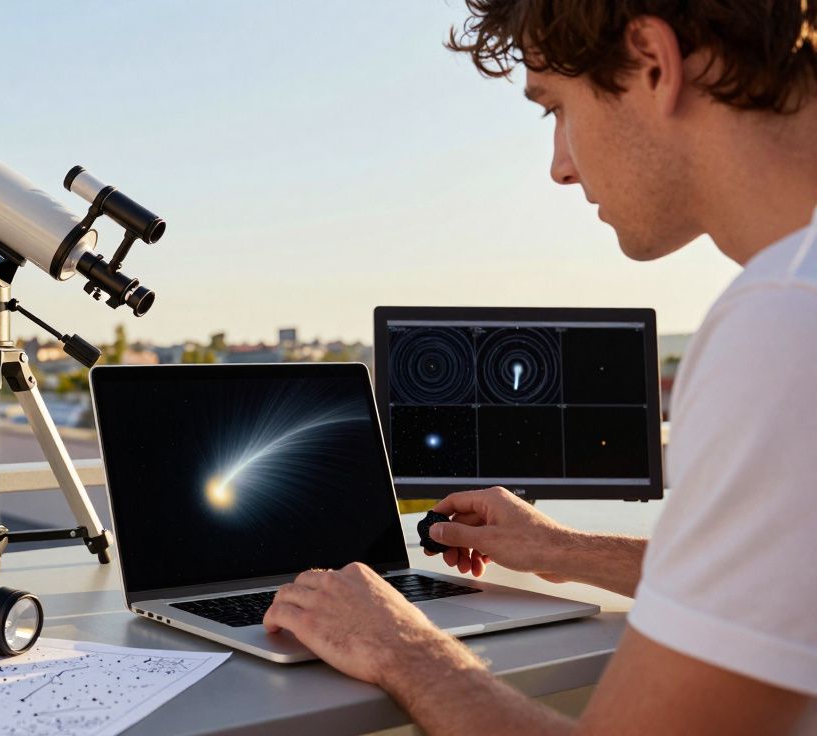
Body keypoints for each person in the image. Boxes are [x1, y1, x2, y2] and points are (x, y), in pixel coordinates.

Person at [263, 1, 817, 733]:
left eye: (556, 108)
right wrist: (560, 549)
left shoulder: (784, 322)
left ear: (653, 64)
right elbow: (777, 578)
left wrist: (399, 645)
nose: (559, 166)